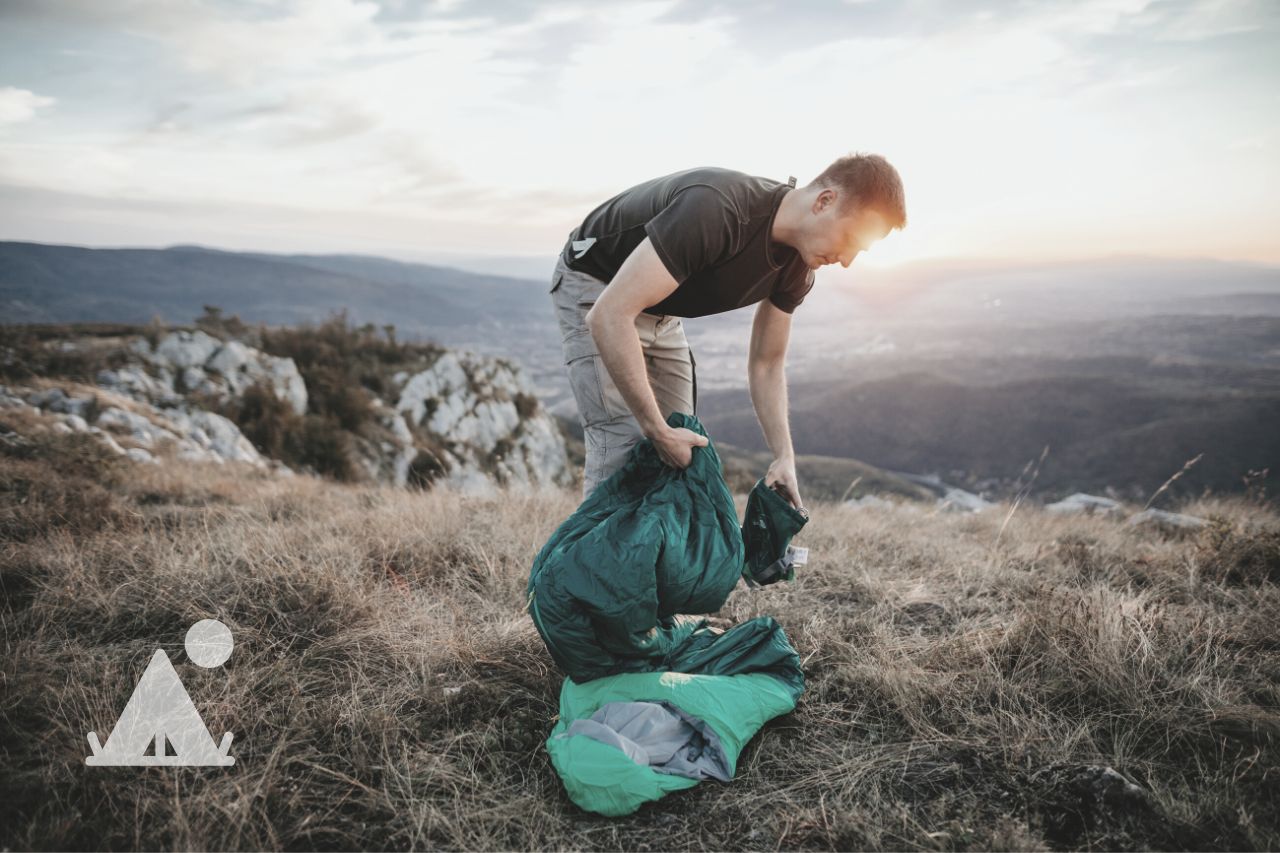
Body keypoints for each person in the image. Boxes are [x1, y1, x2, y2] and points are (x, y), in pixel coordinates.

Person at [548, 152, 906, 506]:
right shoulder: (716, 210)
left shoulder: (799, 267)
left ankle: (658, 559)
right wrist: (655, 430)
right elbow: (609, 315)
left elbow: (766, 363)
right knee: (623, 440)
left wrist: (784, 457)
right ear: (825, 201)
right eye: (851, 241)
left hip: (659, 308)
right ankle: (587, 562)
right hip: (597, 285)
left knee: (683, 441)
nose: (847, 260)